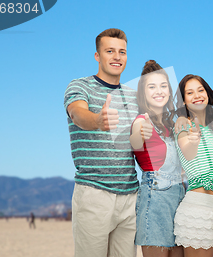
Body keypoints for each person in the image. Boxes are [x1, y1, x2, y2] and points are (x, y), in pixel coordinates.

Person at [64, 28, 139, 257]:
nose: (117, 57)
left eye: (122, 52)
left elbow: (140, 145)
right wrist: (98, 119)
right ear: (97, 56)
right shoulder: (80, 86)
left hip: (130, 197)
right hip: (94, 194)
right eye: (110, 51)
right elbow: (77, 114)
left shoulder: (135, 97)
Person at [130, 60, 185, 257]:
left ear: (169, 91)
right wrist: (139, 135)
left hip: (180, 199)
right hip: (155, 200)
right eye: (151, 87)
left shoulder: (173, 124)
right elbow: (135, 142)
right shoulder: (141, 120)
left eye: (163, 86)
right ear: (143, 93)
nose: (158, 91)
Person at [173, 74, 213, 257]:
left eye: (200, 90)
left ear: (208, 93)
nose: (197, 95)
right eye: (189, 93)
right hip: (196, 209)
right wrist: (193, 141)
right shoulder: (183, 126)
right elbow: (186, 149)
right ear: (184, 101)